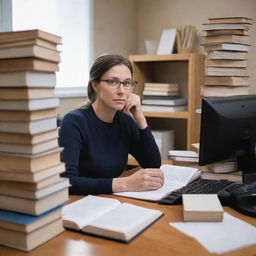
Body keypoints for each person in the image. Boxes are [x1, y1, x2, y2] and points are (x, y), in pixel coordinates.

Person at [59, 53, 164, 195]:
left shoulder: (125, 121)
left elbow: (152, 165)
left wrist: (139, 116)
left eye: (127, 83)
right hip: (80, 203)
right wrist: (125, 183)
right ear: (95, 85)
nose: (121, 91)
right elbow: (67, 182)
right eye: (112, 82)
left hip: (110, 199)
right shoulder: (74, 121)